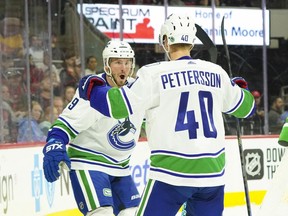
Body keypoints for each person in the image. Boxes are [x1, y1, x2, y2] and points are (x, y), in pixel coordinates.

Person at [78, 14, 255, 216]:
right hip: (212, 175)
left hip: (171, 174)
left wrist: (92, 89)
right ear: (192, 41)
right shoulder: (217, 72)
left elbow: (116, 106)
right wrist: (241, 87)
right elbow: (246, 108)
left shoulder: (154, 73)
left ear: (165, 41)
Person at [42, 41, 144, 216]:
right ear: (107, 65)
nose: (123, 68)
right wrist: (55, 143)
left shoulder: (138, 90)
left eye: (127, 62)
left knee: (134, 213)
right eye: (118, 62)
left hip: (121, 167)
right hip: (89, 163)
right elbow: (66, 123)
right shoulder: (93, 90)